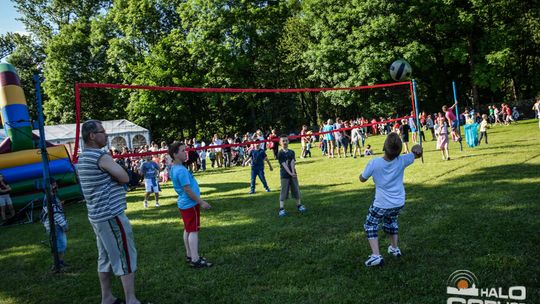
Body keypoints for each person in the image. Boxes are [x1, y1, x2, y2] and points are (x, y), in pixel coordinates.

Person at [77, 120, 142, 304]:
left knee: (104, 257)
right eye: (102, 131)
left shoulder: (83, 157)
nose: (106, 135)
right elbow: (124, 177)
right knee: (125, 255)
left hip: (97, 216)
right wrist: (117, 173)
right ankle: (131, 300)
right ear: (92, 136)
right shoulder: (100, 156)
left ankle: (107, 298)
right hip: (110, 214)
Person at [359, 133, 422, 267]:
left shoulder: (374, 163)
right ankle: (394, 248)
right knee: (391, 222)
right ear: (399, 151)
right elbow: (417, 153)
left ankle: (376, 255)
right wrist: (417, 147)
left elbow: (362, 179)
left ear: (384, 147)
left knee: (370, 225)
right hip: (398, 202)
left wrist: (364, 173)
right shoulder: (402, 160)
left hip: (381, 203)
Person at [168, 141, 213, 268]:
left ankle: (190, 255)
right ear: (175, 154)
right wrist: (201, 202)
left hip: (184, 204)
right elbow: (187, 190)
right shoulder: (180, 171)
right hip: (190, 204)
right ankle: (195, 259)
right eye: (182, 151)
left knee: (188, 229)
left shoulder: (175, 168)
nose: (185, 152)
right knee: (193, 231)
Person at [41, 179, 69, 269]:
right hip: (55, 225)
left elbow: (55, 209)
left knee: (61, 244)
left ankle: (60, 261)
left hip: (56, 224)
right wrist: (64, 225)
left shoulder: (51, 196)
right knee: (60, 245)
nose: (56, 186)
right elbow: (55, 213)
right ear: (50, 186)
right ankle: (57, 264)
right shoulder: (49, 198)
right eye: (54, 184)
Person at [277, 135, 307, 217]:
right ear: (280, 143)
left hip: (293, 175)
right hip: (284, 175)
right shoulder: (280, 153)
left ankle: (299, 205)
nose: (285, 142)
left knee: (296, 189)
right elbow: (284, 165)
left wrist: (293, 172)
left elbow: (292, 162)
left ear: (288, 141)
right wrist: (290, 173)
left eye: (286, 140)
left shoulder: (291, 152)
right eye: (283, 141)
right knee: (284, 191)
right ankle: (281, 209)